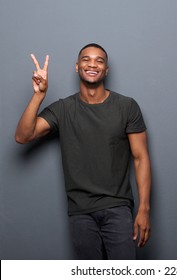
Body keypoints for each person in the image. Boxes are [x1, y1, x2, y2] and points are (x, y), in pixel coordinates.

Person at [15, 43, 151, 260]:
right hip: (80, 212)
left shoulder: (126, 106)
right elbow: (23, 136)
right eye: (86, 59)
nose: (92, 64)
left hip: (117, 207)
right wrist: (39, 96)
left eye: (99, 60)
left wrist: (143, 209)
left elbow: (140, 158)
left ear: (106, 70)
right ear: (77, 66)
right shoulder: (63, 109)